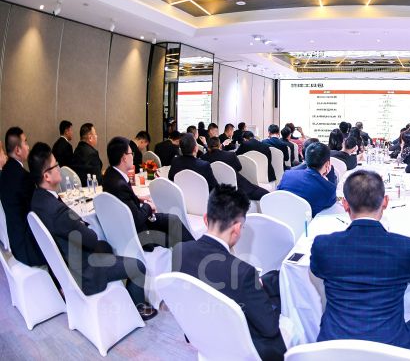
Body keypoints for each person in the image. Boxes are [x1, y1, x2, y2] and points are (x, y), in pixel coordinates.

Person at [29, 143, 157, 320]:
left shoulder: (37, 200)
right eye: (56, 165)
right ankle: (138, 310)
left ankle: (120, 299)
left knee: (106, 246)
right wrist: (82, 224)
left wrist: (80, 224)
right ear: (46, 176)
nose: (59, 168)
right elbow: (91, 238)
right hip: (84, 272)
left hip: (68, 264)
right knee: (137, 266)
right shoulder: (58, 213)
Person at [311, 170, 410, 351]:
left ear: (345, 204)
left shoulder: (324, 245)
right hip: (392, 347)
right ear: (385, 202)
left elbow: (316, 270)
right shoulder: (407, 247)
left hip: (334, 344)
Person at [172, 184, 287, 360]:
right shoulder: (242, 272)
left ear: (205, 219)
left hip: (201, 336)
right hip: (240, 347)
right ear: (237, 228)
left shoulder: (180, 251)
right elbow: (270, 328)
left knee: (268, 281)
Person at [102, 137, 193, 248]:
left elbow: (123, 201)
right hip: (140, 234)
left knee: (173, 220)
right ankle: (195, 251)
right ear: (124, 158)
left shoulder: (110, 175)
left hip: (130, 224)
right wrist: (148, 206)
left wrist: (136, 198)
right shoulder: (119, 185)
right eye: (131, 153)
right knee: (175, 236)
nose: (133, 156)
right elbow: (137, 219)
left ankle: (195, 249)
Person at [0, 127, 45, 266]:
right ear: (18, 150)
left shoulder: (5, 172)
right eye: (25, 142)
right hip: (27, 246)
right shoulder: (24, 177)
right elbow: (37, 212)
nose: (28, 147)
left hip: (14, 241)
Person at [276, 142, 337, 216]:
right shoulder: (329, 189)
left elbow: (277, 194)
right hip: (308, 222)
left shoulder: (287, 175)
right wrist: (325, 180)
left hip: (281, 217)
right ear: (327, 164)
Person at [203, 137, 269, 201]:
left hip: (215, 189)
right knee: (265, 193)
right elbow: (239, 168)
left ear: (208, 147)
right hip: (237, 186)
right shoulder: (230, 155)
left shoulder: (203, 158)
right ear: (220, 145)